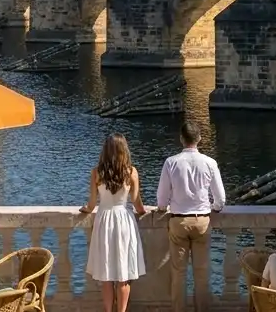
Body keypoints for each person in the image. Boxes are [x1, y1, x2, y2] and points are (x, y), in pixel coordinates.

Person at [157, 120, 226, 312]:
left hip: (178, 220)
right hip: (202, 220)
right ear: (200, 139)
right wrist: (214, 208)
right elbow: (220, 199)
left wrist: (162, 208)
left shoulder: (171, 162)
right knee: (201, 273)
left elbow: (162, 199)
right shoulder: (210, 163)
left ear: (181, 139)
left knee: (178, 273)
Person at [81, 134, 147, 312]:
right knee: (124, 274)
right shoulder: (131, 172)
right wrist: (142, 212)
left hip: (104, 220)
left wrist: (86, 209)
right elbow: (136, 201)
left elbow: (92, 203)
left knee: (107, 274)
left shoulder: (97, 172)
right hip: (124, 221)